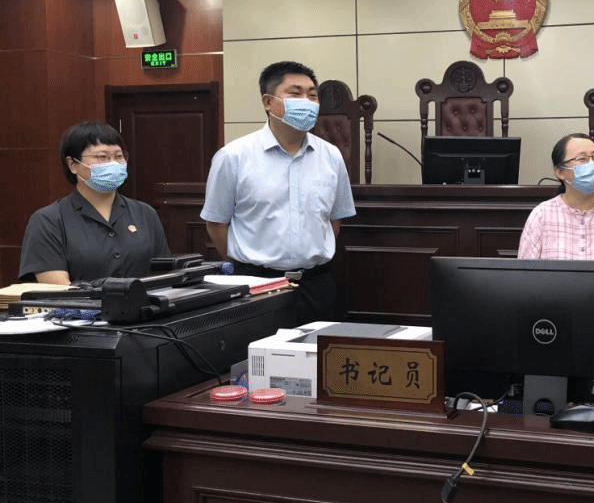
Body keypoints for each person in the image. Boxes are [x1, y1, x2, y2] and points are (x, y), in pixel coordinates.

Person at [201, 61, 356, 326]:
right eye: (295, 93)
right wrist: (249, 263)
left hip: (317, 285)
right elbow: (216, 223)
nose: (306, 102)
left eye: (312, 95)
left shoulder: (331, 156)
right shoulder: (233, 157)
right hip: (257, 284)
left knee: (317, 351)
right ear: (267, 102)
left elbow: (334, 221)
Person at [19, 121, 170, 284]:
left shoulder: (145, 213)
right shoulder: (48, 221)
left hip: (145, 301)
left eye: (119, 156)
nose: (113, 164)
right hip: (81, 302)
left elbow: (165, 278)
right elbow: (58, 291)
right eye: (102, 157)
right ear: (73, 164)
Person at [517, 133, 594, 261]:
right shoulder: (541, 215)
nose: (592, 165)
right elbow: (524, 271)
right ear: (559, 172)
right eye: (582, 159)